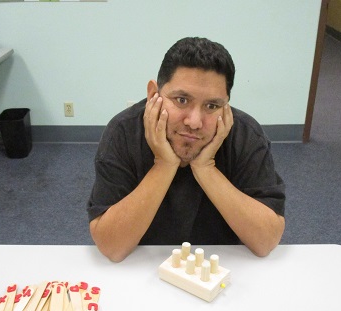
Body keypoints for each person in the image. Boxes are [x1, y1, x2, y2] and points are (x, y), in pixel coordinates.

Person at [87, 37, 285, 262]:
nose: (194, 121)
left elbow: (266, 241)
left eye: (212, 106)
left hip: (219, 268)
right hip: (141, 264)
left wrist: (206, 167)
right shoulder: (123, 131)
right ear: (154, 94)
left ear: (226, 105)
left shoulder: (246, 134)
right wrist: (164, 164)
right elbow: (111, 247)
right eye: (181, 100)